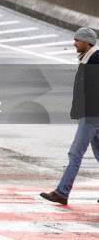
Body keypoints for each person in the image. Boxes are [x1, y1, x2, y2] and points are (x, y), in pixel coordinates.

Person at [41, 27, 99, 205]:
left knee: (75, 153)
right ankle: (62, 192)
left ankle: (62, 192)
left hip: (91, 115)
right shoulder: (88, 58)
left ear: (87, 42)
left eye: (77, 40)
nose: (74, 43)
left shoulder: (95, 59)